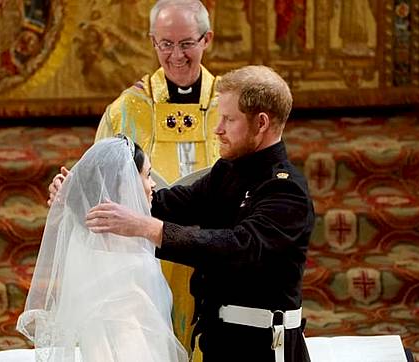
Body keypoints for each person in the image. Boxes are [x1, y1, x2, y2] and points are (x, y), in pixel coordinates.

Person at [86, 65, 314, 362]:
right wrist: (83, 195)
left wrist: (148, 228)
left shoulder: (286, 191)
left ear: (261, 123)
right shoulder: (229, 172)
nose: (217, 128)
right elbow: (170, 203)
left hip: (263, 348)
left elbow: (237, 247)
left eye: (229, 119)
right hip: (219, 340)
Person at [48, 1, 219, 357]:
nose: (175, 55)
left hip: (214, 253)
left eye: (186, 43)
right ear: (152, 42)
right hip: (144, 258)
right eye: (165, 44)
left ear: (207, 40)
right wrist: (69, 193)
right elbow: (98, 182)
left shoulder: (230, 105)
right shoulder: (127, 108)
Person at [18, 135, 188, 362]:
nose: (153, 184)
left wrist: (80, 194)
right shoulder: (129, 258)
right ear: (125, 184)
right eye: (147, 175)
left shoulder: (91, 243)